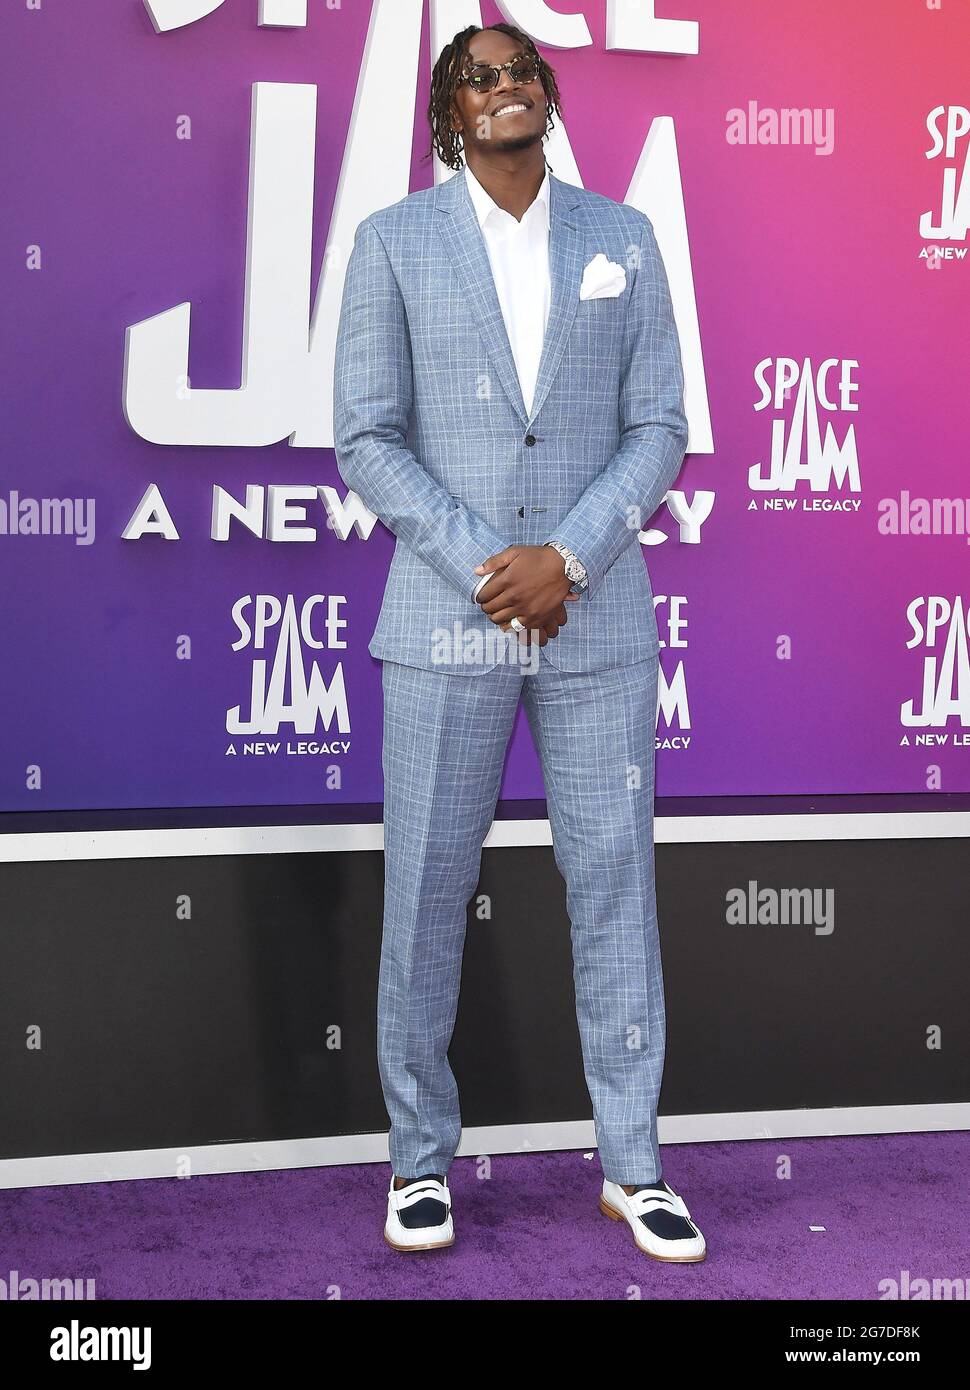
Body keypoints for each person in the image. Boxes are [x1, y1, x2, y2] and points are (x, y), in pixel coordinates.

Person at [333, 22, 705, 1263]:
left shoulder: (624, 238)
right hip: (451, 620)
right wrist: (494, 570)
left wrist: (573, 558)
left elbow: (659, 425)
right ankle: (419, 1160)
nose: (503, 88)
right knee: (426, 897)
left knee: (614, 891)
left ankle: (634, 1166)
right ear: (448, 115)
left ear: (548, 96)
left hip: (595, 617)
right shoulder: (392, 243)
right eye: (475, 77)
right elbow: (366, 436)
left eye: (520, 72)